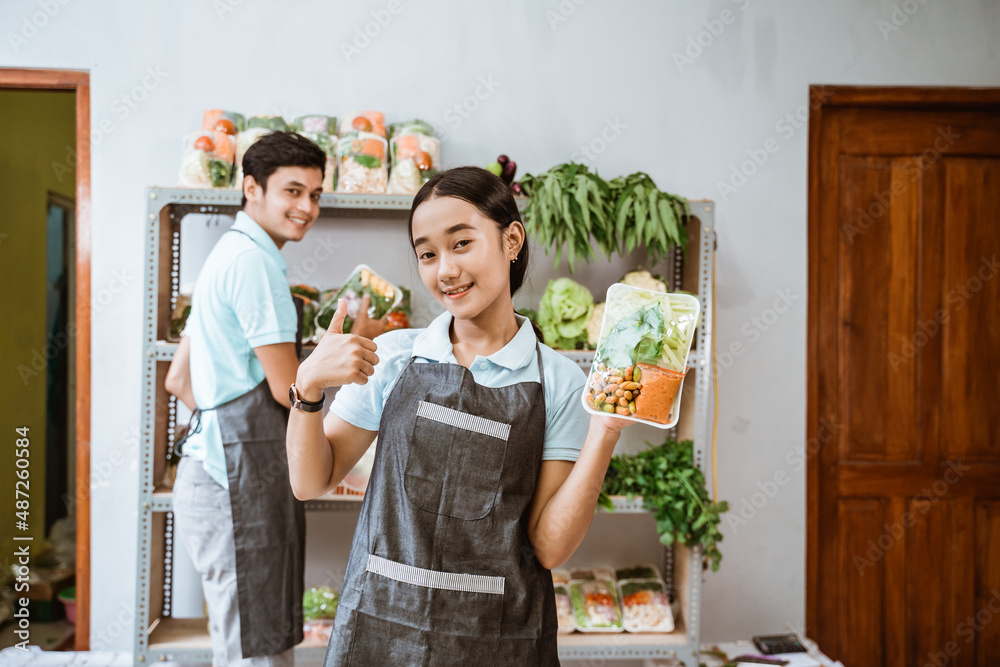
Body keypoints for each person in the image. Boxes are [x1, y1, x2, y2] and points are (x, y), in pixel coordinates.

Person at [285, 166, 631, 665]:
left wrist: (605, 432)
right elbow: (309, 479)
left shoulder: (558, 382)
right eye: (427, 254)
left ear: (511, 239)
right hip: (383, 629)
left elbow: (549, 548)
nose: (444, 269)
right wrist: (308, 388)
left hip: (499, 638)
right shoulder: (393, 357)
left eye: (461, 243)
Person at [164, 131, 382, 667]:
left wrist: (224, 435)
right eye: (292, 191)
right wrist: (352, 351)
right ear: (251, 188)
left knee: (244, 646)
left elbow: (178, 380)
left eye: (315, 194)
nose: (306, 207)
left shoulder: (228, 254)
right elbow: (292, 391)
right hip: (235, 493)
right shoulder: (257, 265)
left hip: (211, 481)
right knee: (257, 652)